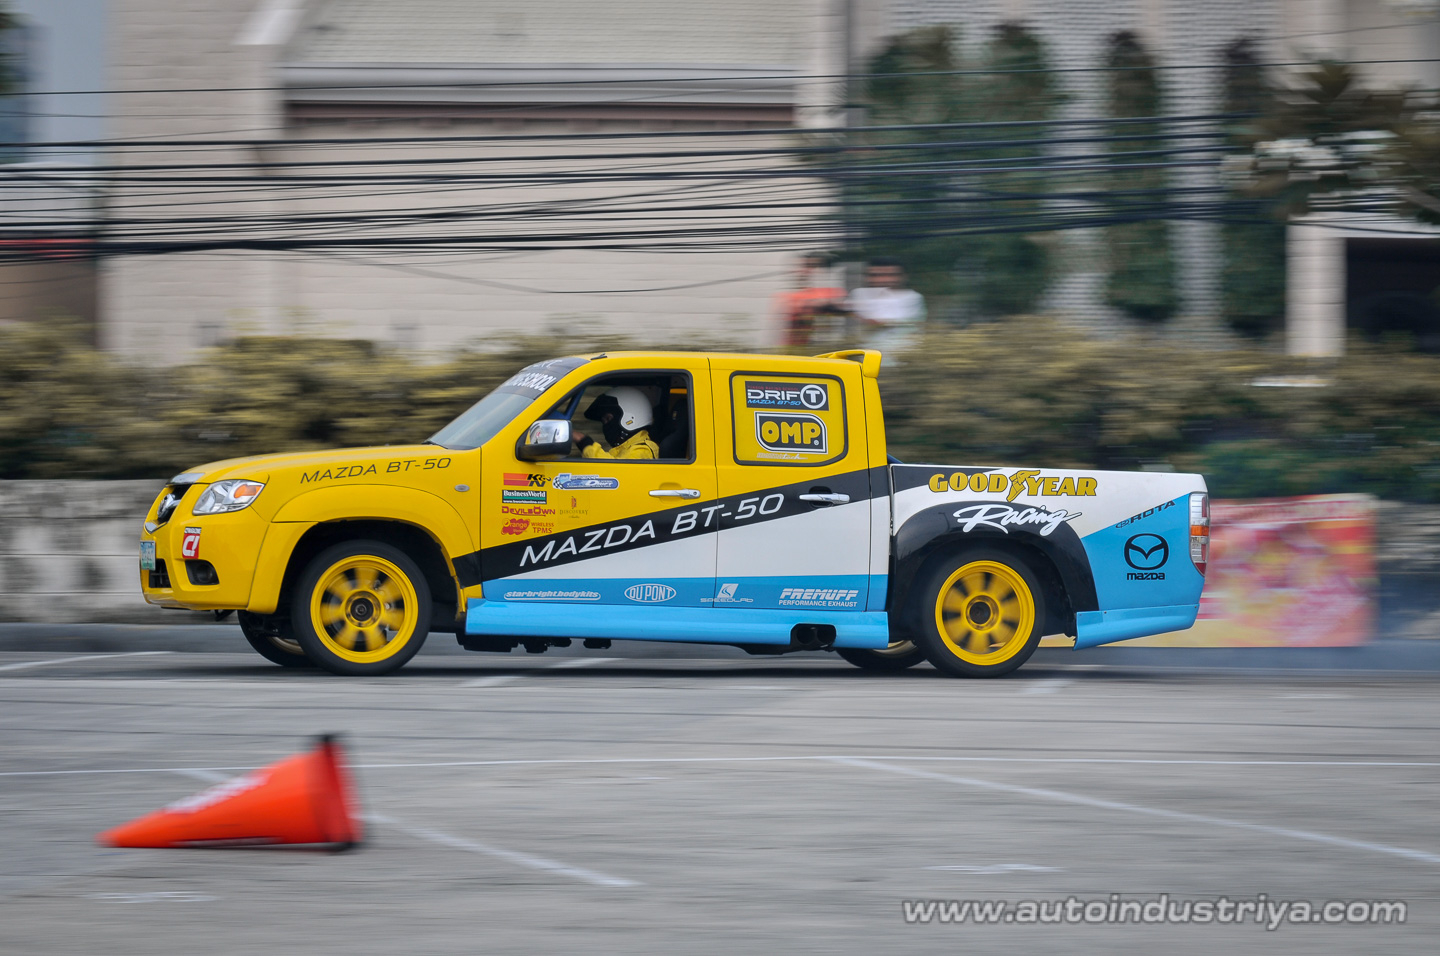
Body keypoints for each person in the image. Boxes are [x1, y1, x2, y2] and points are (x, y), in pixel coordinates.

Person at [846, 258, 925, 360]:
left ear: (904, 277)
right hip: (864, 356)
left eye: (891, 275)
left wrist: (850, 311)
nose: (883, 279)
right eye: (875, 275)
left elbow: (879, 321)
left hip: (900, 356)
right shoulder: (859, 294)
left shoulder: (912, 297)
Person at [774, 253, 845, 348]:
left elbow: (837, 302)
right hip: (793, 350)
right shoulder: (787, 297)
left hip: (815, 349)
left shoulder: (825, 292)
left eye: (814, 266)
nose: (808, 271)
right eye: (807, 266)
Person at [572, 386, 659, 459]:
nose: (605, 425)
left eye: (608, 419)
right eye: (603, 421)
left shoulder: (642, 451)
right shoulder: (623, 450)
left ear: (630, 419)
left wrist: (583, 441)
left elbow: (613, 471)